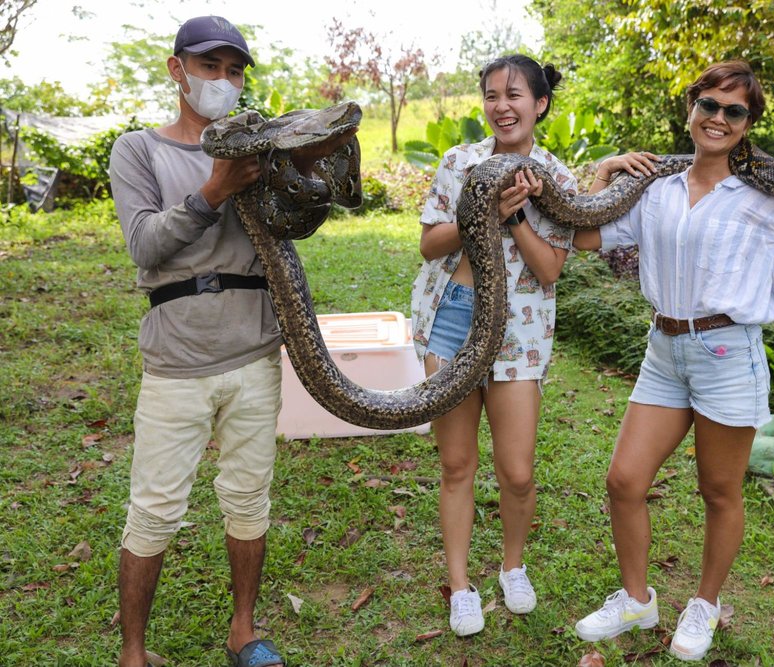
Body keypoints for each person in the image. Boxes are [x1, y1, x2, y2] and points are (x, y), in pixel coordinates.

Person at [571, 60, 774, 661]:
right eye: (709, 104)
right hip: (664, 349)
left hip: (726, 352)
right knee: (624, 481)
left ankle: (705, 605)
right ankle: (637, 600)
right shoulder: (652, 186)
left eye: (734, 111)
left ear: (746, 126)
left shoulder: (759, 200)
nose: (718, 118)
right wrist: (602, 173)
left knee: (719, 490)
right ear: (691, 108)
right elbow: (584, 235)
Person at [109, 16, 355, 667]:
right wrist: (213, 189)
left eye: (233, 70)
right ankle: (134, 651)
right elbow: (146, 245)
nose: (222, 80)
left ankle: (244, 630)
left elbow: (296, 223)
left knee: (248, 498)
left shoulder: (259, 150)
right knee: (155, 507)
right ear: (177, 69)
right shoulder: (139, 151)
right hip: (177, 360)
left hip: (253, 353)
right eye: (209, 66)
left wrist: (304, 163)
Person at [409, 54, 577, 637]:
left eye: (514, 95)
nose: (501, 106)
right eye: (491, 95)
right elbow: (431, 244)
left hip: (520, 327)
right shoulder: (461, 162)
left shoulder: (555, 179)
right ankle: (460, 585)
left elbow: (550, 270)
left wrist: (515, 219)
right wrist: (480, 209)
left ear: (540, 103)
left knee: (519, 471)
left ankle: (512, 566)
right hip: (454, 320)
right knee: (456, 464)